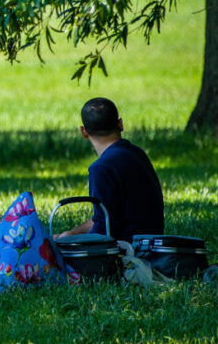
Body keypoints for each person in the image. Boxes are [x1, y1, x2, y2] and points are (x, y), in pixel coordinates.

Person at [58, 97, 165, 242]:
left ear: (83, 132)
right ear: (120, 124)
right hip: (152, 246)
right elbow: (106, 217)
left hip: (128, 253)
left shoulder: (101, 168)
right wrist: (70, 234)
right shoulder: (137, 154)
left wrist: (65, 244)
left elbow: (104, 231)